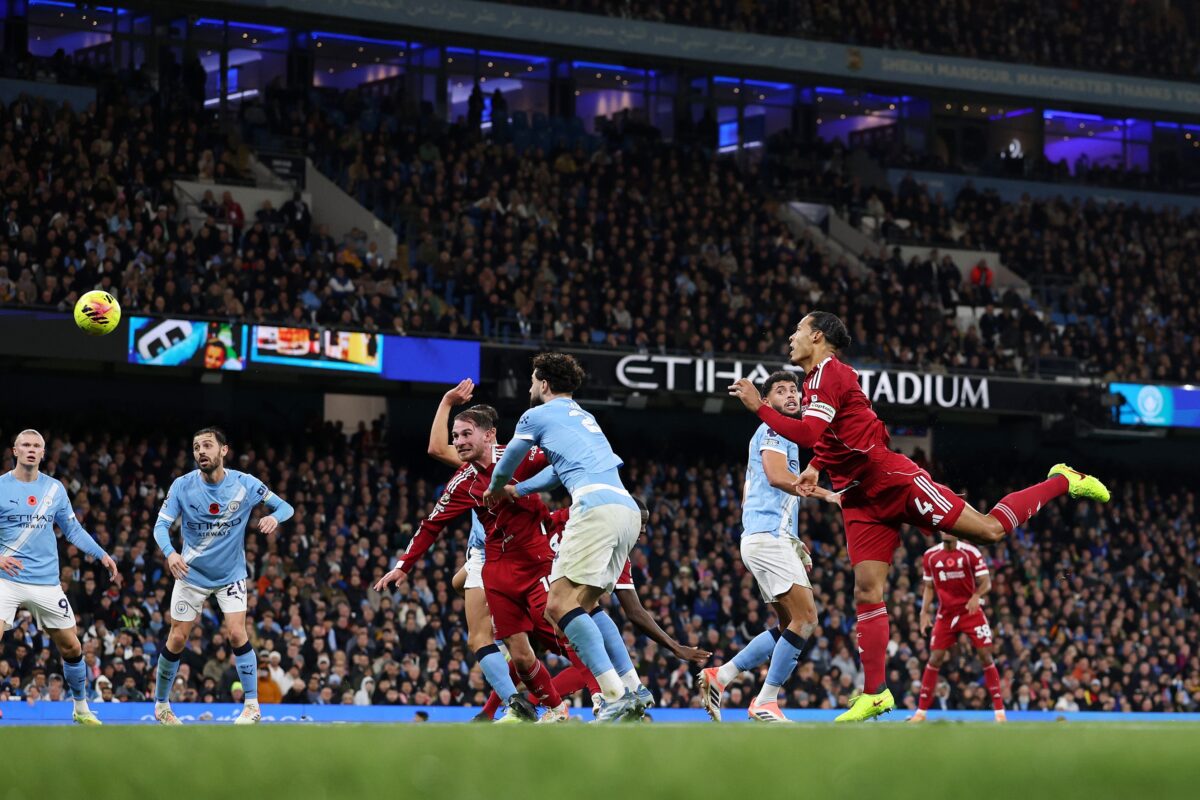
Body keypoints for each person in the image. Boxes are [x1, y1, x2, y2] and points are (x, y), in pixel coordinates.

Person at [728, 311, 1109, 722]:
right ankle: (875, 693)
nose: (791, 336)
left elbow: (809, 434)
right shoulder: (816, 382)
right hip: (858, 497)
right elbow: (841, 431)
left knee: (989, 530)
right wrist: (817, 466)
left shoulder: (831, 373)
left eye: (798, 330)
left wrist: (758, 407)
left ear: (817, 336)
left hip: (890, 479)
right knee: (866, 591)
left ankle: (1063, 480)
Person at [374, 393, 596, 723]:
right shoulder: (463, 482)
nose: (459, 442)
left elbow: (563, 461)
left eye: (466, 434)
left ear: (489, 435)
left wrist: (589, 493)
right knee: (518, 653)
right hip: (496, 566)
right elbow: (431, 524)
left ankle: (610, 690)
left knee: (564, 635)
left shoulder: (518, 455)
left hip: (538, 561)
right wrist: (402, 566)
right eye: (456, 436)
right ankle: (552, 709)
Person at [483, 352, 644, 723]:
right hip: (627, 509)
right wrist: (520, 490)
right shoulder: (584, 417)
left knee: (556, 605)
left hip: (594, 508)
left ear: (543, 383)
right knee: (584, 606)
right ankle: (632, 688)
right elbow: (557, 472)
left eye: (532, 380)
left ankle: (614, 695)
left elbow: (507, 462)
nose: (529, 387)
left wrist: (497, 487)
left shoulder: (535, 415)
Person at [699, 372, 837, 722]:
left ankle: (722, 675)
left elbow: (757, 492)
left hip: (765, 537)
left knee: (789, 623)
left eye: (794, 390)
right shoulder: (775, 431)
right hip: (767, 537)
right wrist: (828, 495)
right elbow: (776, 476)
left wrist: (791, 539)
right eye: (780, 391)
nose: (790, 395)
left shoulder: (779, 434)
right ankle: (766, 700)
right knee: (807, 619)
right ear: (766, 401)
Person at [151, 427, 294, 725]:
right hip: (190, 573)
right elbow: (160, 526)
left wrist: (273, 516)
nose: (201, 451)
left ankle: (252, 706)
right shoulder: (182, 485)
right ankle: (161, 705)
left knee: (237, 634)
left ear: (223, 450)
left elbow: (286, 507)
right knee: (177, 638)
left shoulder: (245, 484)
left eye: (207, 445)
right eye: (196, 447)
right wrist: (170, 553)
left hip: (230, 575)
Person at [0, 429, 122, 725]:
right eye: (25, 445)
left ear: (43, 453)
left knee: (72, 647)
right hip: (6, 578)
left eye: (36, 446)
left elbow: (73, 530)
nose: (31, 449)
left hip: (45, 581)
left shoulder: (54, 489)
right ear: (15, 451)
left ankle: (80, 707)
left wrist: (101, 554)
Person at [911, 534, 1005, 723]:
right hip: (946, 614)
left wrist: (976, 595)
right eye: (944, 528)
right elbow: (929, 587)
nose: (947, 531)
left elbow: (986, 582)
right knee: (935, 657)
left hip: (970, 611)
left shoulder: (970, 553)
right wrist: (924, 612)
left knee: (986, 655)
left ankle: (999, 712)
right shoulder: (930, 556)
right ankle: (920, 713)